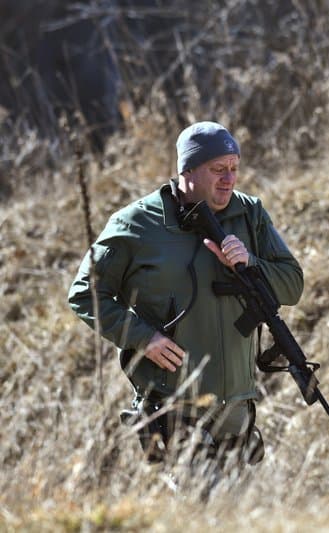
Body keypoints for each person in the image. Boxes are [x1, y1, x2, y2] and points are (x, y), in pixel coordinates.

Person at [68, 121, 304, 464]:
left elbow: (292, 284)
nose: (229, 179)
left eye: (234, 168)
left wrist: (250, 261)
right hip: (172, 405)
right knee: (200, 504)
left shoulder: (249, 214)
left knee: (235, 514)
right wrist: (141, 337)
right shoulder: (137, 224)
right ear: (186, 171)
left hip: (237, 407)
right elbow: (85, 293)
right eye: (218, 169)